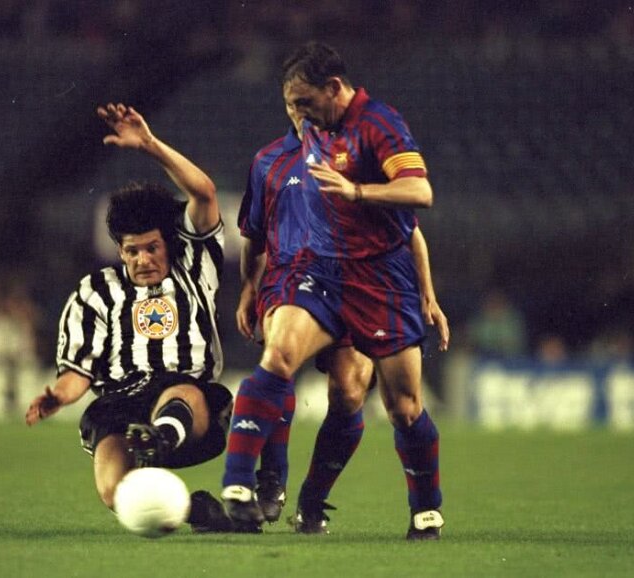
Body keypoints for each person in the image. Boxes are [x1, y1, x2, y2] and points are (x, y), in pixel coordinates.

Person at [220, 41, 445, 540]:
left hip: (381, 280)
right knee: (279, 356)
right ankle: (242, 485)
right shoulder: (295, 146)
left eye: (304, 103)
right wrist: (249, 288)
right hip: (316, 274)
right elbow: (255, 236)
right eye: (290, 106)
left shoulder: (378, 125)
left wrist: (426, 292)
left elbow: (419, 200)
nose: (298, 116)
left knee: (399, 406)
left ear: (335, 89)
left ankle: (423, 510)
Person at [25, 103, 232, 531]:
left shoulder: (195, 264)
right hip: (120, 403)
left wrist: (150, 145)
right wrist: (60, 396)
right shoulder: (93, 293)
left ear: (168, 244)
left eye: (151, 248)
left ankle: (159, 437)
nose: (142, 259)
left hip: (188, 406)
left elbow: (205, 193)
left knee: (182, 391)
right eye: (131, 251)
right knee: (116, 494)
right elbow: (78, 371)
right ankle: (197, 511)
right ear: (119, 250)